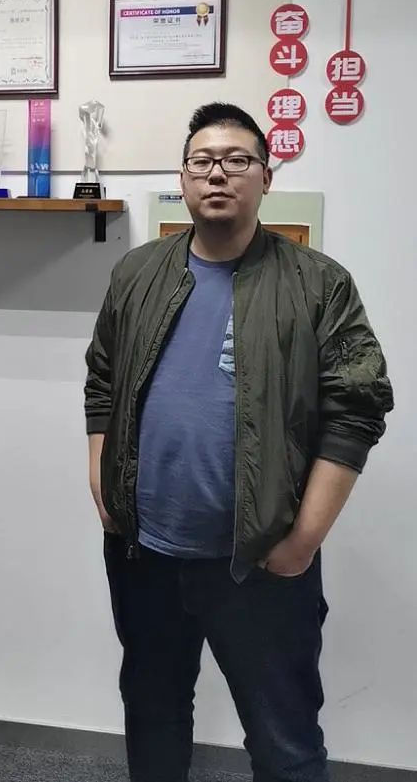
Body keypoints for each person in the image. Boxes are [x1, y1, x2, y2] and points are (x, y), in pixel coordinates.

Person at [84, 103, 393, 782]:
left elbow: (357, 409)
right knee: (154, 714)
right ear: (183, 178)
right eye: (202, 161)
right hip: (146, 556)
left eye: (236, 160)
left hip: (258, 563)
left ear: (265, 177)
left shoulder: (317, 283)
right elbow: (102, 377)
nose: (217, 173)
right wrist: (100, 480)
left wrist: (302, 541)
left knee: (284, 741)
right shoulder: (138, 273)